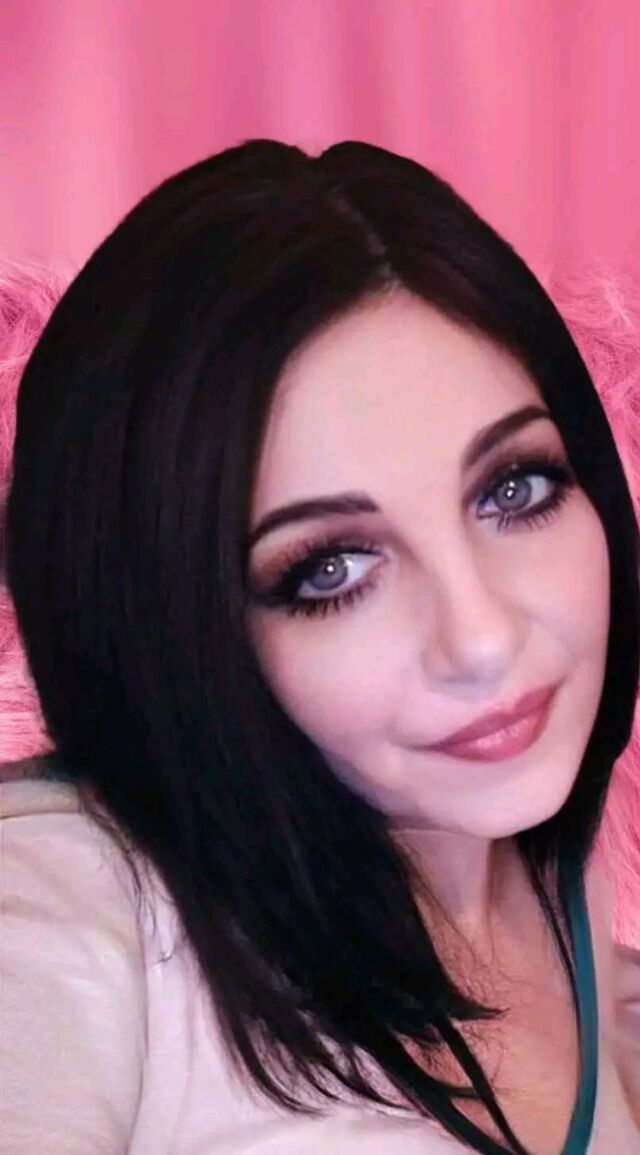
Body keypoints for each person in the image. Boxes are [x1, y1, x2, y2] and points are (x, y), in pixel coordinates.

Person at [2, 140, 639, 1155]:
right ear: (172, 627)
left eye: (514, 489)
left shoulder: (562, 895)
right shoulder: (67, 894)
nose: (482, 637)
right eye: (331, 569)